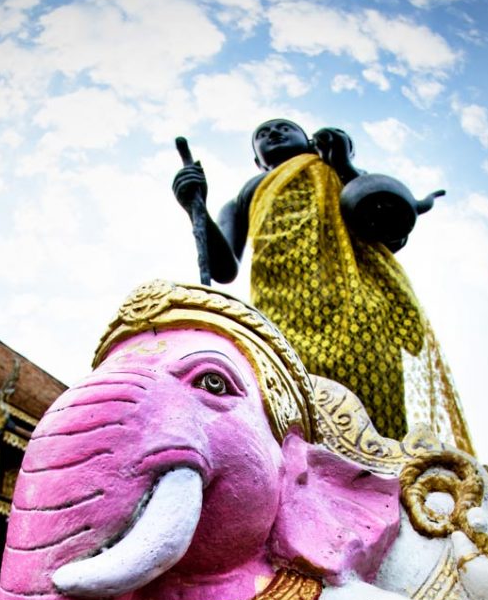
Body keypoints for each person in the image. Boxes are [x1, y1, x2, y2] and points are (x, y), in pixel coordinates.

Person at [172, 119, 440, 438]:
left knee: (369, 418)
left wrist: (343, 164)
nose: (273, 133)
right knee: (293, 415)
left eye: (285, 127)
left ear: (308, 140)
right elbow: (223, 269)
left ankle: (380, 475)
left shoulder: (332, 168)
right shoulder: (245, 197)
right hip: (281, 315)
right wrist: (196, 206)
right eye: (261, 133)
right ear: (257, 160)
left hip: (354, 304)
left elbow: (388, 223)